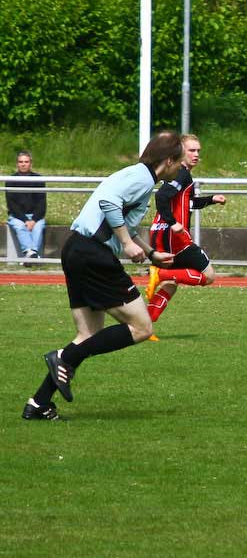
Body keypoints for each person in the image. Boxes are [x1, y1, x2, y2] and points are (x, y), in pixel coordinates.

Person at [21, 132, 183, 420]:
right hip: (93, 254)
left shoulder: (136, 175)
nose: (182, 167)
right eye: (180, 161)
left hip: (76, 249)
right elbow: (109, 203)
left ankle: (39, 403)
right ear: (169, 160)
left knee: (88, 335)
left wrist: (150, 253)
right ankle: (63, 357)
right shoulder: (143, 179)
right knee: (142, 327)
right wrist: (126, 244)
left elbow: (122, 221)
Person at [144, 134, 227, 338]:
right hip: (175, 239)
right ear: (180, 151)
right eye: (191, 150)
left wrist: (211, 199)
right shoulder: (182, 173)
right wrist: (173, 223)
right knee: (208, 276)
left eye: (198, 151)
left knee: (171, 285)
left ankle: (145, 327)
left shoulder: (179, 174)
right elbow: (161, 196)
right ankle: (159, 274)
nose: (196, 154)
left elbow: (187, 202)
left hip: (159, 234)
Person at [6, 150, 46, 261]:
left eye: (26, 162)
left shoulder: (39, 179)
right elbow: (12, 205)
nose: (23, 164)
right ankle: (33, 254)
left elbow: (42, 204)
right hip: (17, 216)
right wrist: (25, 220)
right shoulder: (10, 180)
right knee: (20, 227)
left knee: (38, 227)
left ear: (30, 163)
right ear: (17, 164)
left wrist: (33, 220)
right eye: (21, 162)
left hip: (36, 216)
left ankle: (29, 254)